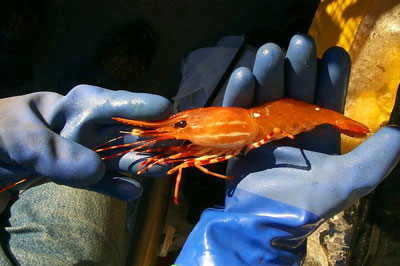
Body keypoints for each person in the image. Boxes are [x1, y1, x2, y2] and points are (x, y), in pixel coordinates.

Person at [0, 34, 399, 266]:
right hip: (264, 124)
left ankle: (86, 81)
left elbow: (201, 158)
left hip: (280, 120)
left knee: (92, 160)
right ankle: (90, 80)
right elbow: (193, 150)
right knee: (100, 169)